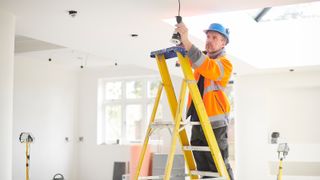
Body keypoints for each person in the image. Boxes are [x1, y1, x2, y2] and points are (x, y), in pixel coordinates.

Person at [175, 22, 234, 179]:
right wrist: (182, 44)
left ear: (223, 42)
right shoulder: (203, 61)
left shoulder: (224, 64)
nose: (209, 40)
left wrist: (187, 42)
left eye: (214, 37)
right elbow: (192, 61)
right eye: (208, 37)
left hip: (214, 123)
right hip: (197, 120)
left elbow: (207, 66)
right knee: (203, 169)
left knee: (219, 165)